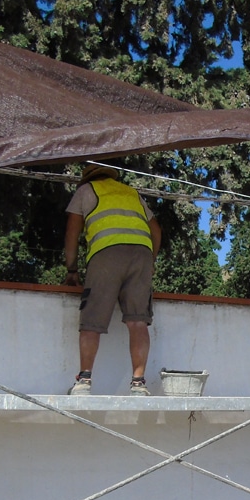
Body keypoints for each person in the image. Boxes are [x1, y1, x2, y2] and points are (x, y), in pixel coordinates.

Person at [63, 164, 162, 396]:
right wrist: (151, 261)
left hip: (106, 253)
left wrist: (72, 270)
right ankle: (138, 384)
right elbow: (156, 230)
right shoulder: (131, 193)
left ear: (87, 178)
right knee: (138, 320)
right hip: (141, 254)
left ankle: (83, 382)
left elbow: (71, 231)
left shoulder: (86, 191)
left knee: (92, 319)